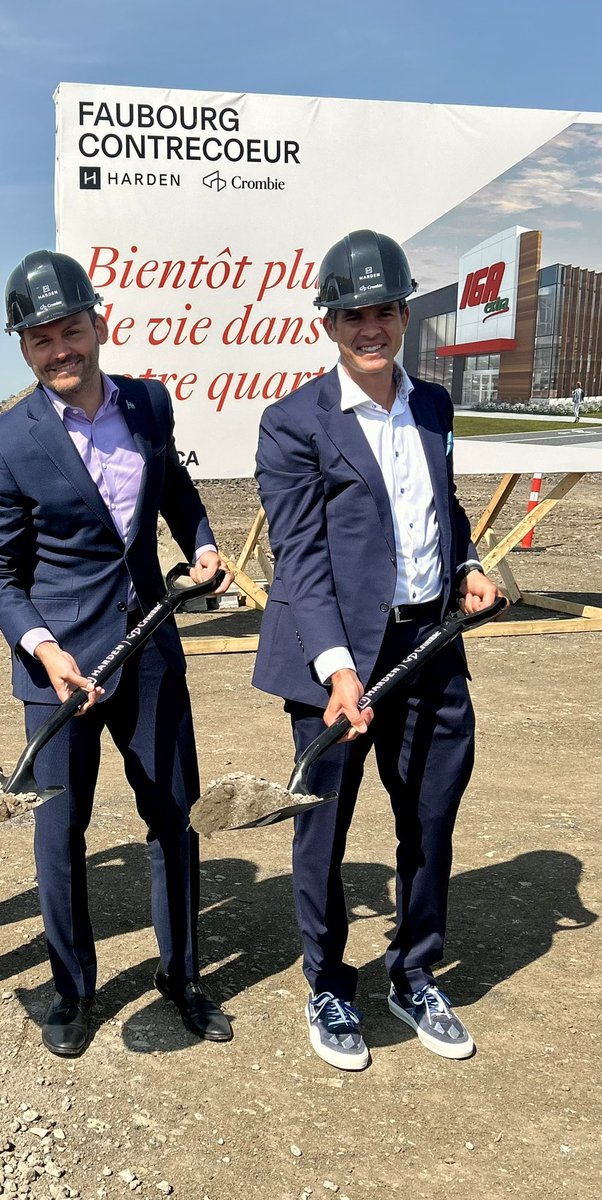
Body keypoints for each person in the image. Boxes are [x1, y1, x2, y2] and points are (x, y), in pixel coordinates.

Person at [0, 250, 233, 1057]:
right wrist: (44, 651)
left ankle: (182, 976)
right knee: (61, 833)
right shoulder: (0, 444)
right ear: (23, 347)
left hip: (149, 647)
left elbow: (177, 491)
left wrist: (204, 541)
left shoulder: (150, 405)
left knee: (174, 818)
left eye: (71, 329)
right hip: (61, 671)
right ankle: (72, 991)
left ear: (98, 323)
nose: (59, 348)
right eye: (40, 337)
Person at [253, 230, 501, 1070]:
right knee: (322, 830)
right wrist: (337, 668)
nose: (371, 326)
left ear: (404, 314)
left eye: (385, 310)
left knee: (431, 816)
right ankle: (328, 983)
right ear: (329, 320)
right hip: (336, 663)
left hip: (429, 643)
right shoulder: (292, 424)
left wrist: (466, 564)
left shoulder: (431, 404)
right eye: (354, 312)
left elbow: (441, 510)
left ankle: (415, 971)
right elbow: (301, 556)